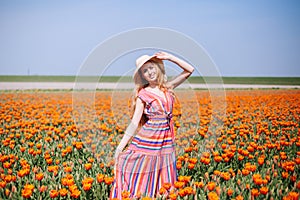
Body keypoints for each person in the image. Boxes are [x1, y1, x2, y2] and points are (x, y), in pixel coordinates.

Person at [110, 51, 194, 199]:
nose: (150, 72)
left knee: (165, 171)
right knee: (142, 169)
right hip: (149, 140)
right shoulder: (143, 94)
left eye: (151, 67)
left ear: (157, 67)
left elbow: (189, 70)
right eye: (145, 71)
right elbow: (135, 122)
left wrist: (170, 57)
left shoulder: (167, 88)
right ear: (143, 76)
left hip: (166, 140)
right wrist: (120, 147)